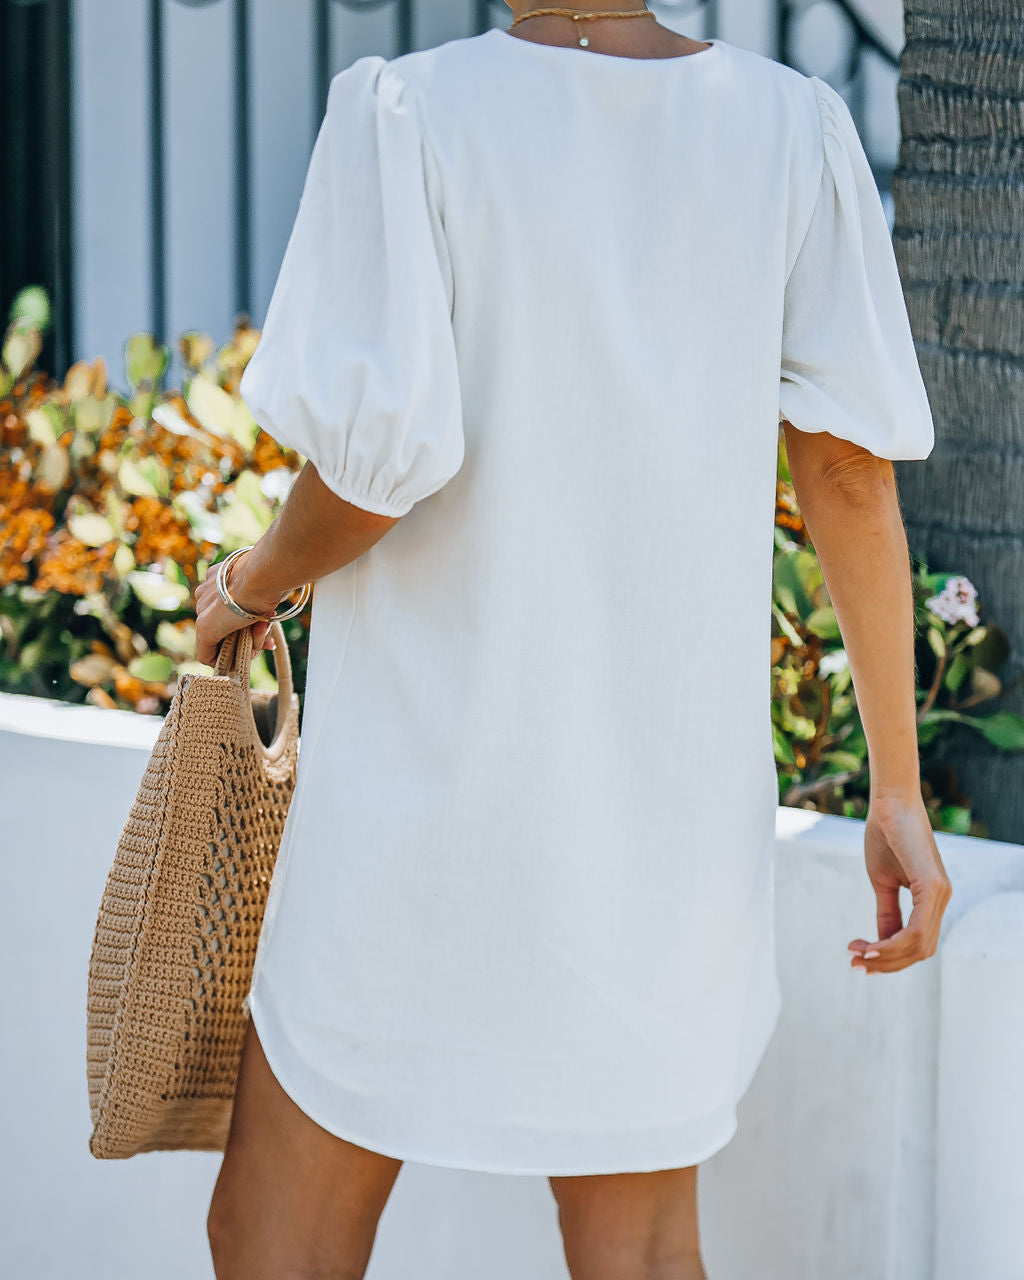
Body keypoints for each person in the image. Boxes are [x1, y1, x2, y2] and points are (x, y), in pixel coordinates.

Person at [193, 4, 953, 1277]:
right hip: (655, 822)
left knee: (274, 1236)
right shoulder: (784, 130)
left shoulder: (410, 116)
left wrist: (249, 583)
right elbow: (848, 473)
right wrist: (895, 784)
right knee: (639, 1250)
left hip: (420, 808)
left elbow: (376, 475)